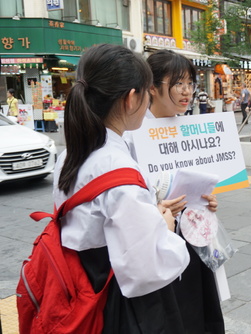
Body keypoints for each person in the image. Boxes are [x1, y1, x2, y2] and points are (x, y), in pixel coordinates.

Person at [53, 44, 190, 333]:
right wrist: (164, 226)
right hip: (117, 306)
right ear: (131, 99)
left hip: (77, 291)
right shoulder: (119, 168)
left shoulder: (71, 155)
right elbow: (146, 267)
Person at [126, 49, 225, 334]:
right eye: (178, 83)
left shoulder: (189, 127)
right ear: (153, 88)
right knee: (171, 315)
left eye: (190, 83)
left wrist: (208, 200)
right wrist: (158, 207)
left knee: (199, 311)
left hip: (194, 236)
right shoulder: (134, 134)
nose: (187, 92)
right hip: (158, 238)